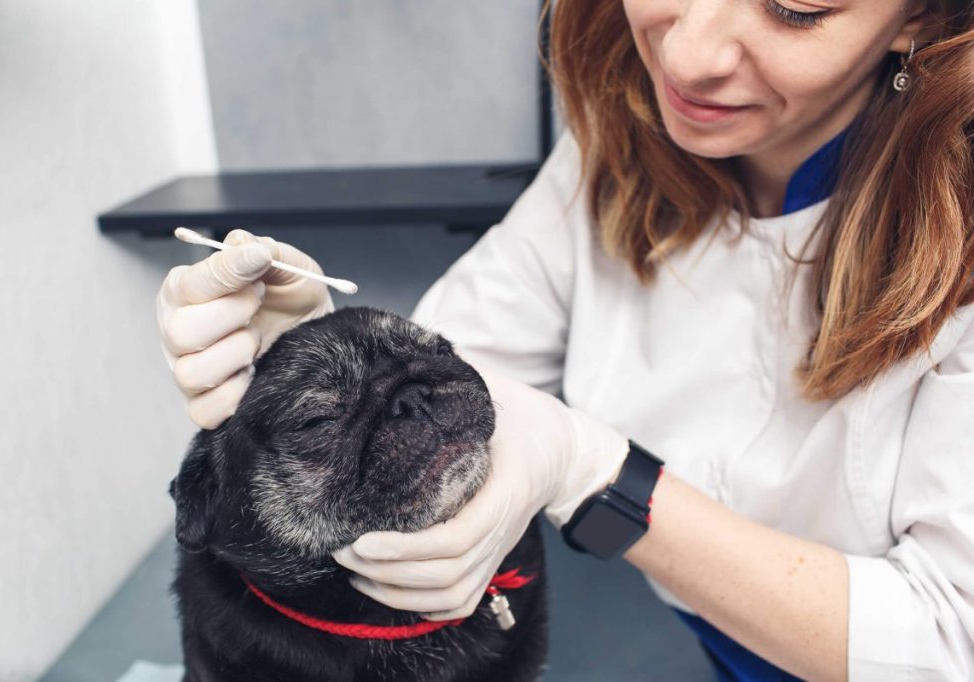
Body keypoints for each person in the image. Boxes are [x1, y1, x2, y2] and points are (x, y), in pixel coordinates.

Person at [155, 0, 974, 679]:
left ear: (921, 18)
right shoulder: (623, 146)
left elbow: (951, 639)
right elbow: (459, 364)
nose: (685, 58)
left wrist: (600, 477)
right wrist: (306, 355)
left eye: (795, 7)